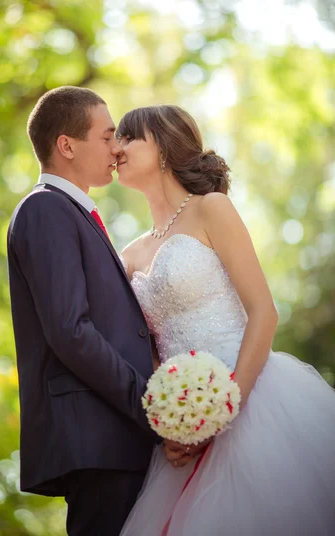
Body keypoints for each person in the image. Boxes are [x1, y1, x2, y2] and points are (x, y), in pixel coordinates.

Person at [115, 104, 335, 536]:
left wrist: (224, 410)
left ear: (162, 147)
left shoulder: (211, 209)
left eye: (128, 137)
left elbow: (263, 313)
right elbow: (147, 349)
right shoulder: (129, 255)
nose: (116, 148)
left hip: (252, 395)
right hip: (183, 422)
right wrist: (173, 426)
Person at [7, 86, 161, 536]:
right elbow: (71, 331)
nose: (117, 148)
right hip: (97, 437)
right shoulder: (45, 209)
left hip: (113, 436)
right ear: (67, 145)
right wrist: (148, 405)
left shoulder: (70, 210)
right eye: (108, 135)